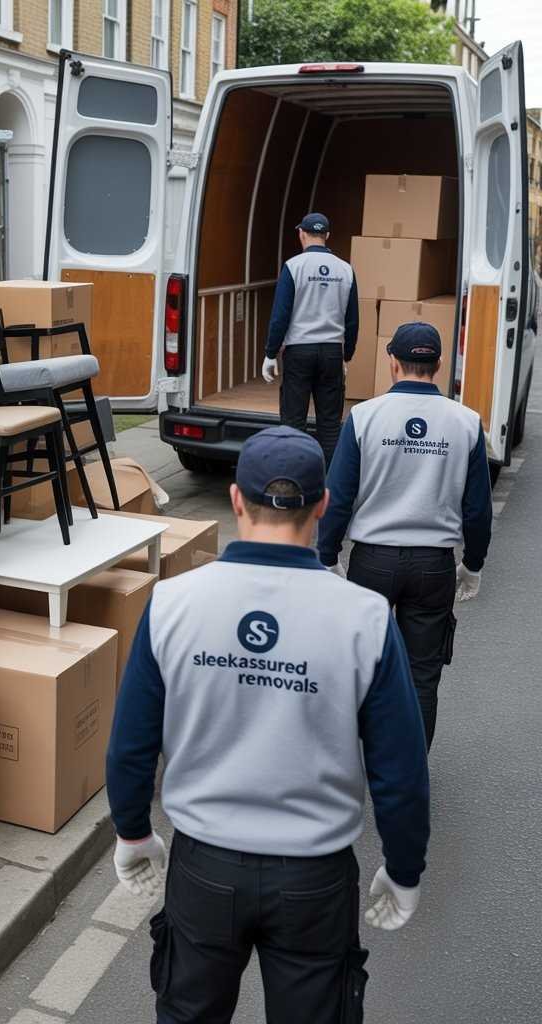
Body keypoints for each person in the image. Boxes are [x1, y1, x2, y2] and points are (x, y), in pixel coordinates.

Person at [107, 426, 429, 1024]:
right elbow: (400, 767)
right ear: (324, 504)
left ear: (235, 500)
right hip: (316, 878)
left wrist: (132, 832)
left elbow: (132, 741)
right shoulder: (365, 616)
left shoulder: (173, 603)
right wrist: (404, 866)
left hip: (204, 868)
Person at [318, 322, 492, 750]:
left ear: (392, 361)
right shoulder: (467, 423)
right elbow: (477, 509)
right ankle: (407, 770)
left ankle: (351, 762)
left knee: (361, 666)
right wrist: (473, 564)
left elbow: (338, 496)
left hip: (372, 560)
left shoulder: (364, 417)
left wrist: (327, 554)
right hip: (434, 564)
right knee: (422, 676)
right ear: (438, 364)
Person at [262, 213, 359, 465]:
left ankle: (295, 478)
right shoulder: (346, 269)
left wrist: (270, 353)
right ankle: (330, 487)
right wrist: (345, 355)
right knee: (329, 424)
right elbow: (352, 320)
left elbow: (280, 316)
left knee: (293, 422)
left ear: (301, 234)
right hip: (331, 353)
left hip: (299, 352)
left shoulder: (294, 266)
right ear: (327, 235)